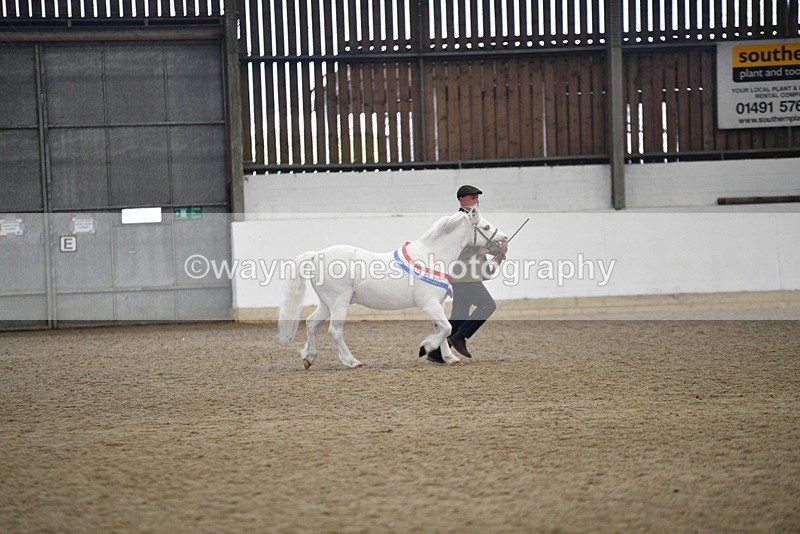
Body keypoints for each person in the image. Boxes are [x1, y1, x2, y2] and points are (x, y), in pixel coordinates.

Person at [426, 185, 507, 364]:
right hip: (463, 275)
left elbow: (486, 244)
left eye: (477, 198)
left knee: (459, 314)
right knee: (487, 305)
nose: (476, 200)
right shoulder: (458, 222)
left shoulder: (475, 221)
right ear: (462, 200)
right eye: (472, 197)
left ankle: (437, 351)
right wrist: (478, 249)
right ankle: (461, 336)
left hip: (470, 275)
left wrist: (498, 249)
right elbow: (453, 250)